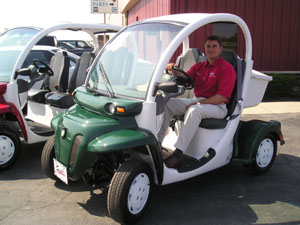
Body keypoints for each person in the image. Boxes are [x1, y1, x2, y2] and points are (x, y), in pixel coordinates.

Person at [158, 35, 236, 168]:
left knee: (194, 110)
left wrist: (198, 104)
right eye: (208, 46)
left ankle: (178, 153)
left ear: (220, 49)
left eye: (214, 46)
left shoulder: (226, 69)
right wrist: (174, 70)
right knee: (166, 102)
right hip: (198, 101)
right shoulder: (199, 66)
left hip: (218, 107)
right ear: (204, 48)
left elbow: (222, 97)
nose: (211, 49)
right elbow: (186, 78)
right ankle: (157, 144)